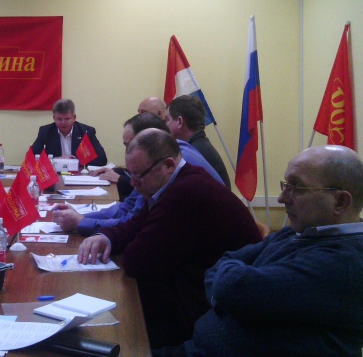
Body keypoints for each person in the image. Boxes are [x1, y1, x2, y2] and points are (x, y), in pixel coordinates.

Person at [153, 145, 363, 357]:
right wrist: (229, 297)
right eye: (286, 185)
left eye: (297, 187)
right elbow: (225, 264)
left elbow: (233, 287)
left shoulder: (343, 265)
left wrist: (228, 293)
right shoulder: (298, 231)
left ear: (340, 201)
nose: (282, 198)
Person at [77, 129, 262, 348]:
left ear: (168, 165)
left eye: (139, 176)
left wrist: (126, 242)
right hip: (198, 284)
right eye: (130, 174)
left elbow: (137, 261)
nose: (133, 184)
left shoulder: (185, 193)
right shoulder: (175, 183)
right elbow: (138, 223)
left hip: (217, 307)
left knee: (119, 324)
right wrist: (106, 237)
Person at [55, 113, 224, 235]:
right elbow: (128, 206)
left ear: (150, 140)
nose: (127, 152)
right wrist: (81, 216)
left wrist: (80, 222)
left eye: (130, 146)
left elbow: (134, 224)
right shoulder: (167, 153)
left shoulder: (169, 165)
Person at [165, 95, 232, 189]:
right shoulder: (201, 146)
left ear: (180, 122)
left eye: (167, 120)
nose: (165, 125)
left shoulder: (189, 154)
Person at [32, 98, 108, 166]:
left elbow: (102, 159)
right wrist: (57, 160)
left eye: (67, 119)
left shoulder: (86, 132)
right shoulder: (45, 132)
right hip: (55, 174)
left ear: (74, 118)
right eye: (59, 119)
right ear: (54, 118)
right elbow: (32, 158)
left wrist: (74, 162)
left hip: (79, 173)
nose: (63, 123)